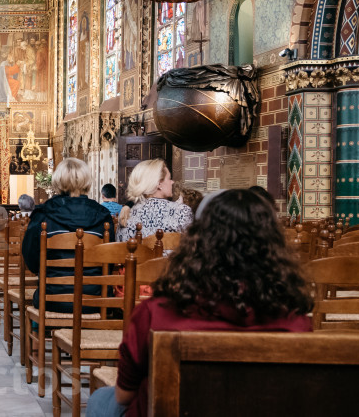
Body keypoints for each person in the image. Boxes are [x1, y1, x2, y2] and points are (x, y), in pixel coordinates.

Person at [86, 189, 313, 417]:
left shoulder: (155, 313)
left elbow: (124, 394)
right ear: (274, 245)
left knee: (99, 400)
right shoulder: (297, 323)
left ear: (198, 240)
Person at [21, 158, 112, 312]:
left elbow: (31, 260)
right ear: (86, 181)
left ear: (58, 181)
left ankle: (40, 331)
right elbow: (109, 260)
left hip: (52, 298)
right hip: (95, 299)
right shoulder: (103, 215)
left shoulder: (43, 214)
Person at [117, 159, 193, 242]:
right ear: (159, 184)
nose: (172, 182)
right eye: (169, 178)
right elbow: (194, 249)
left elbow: (121, 250)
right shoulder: (181, 211)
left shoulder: (126, 214)